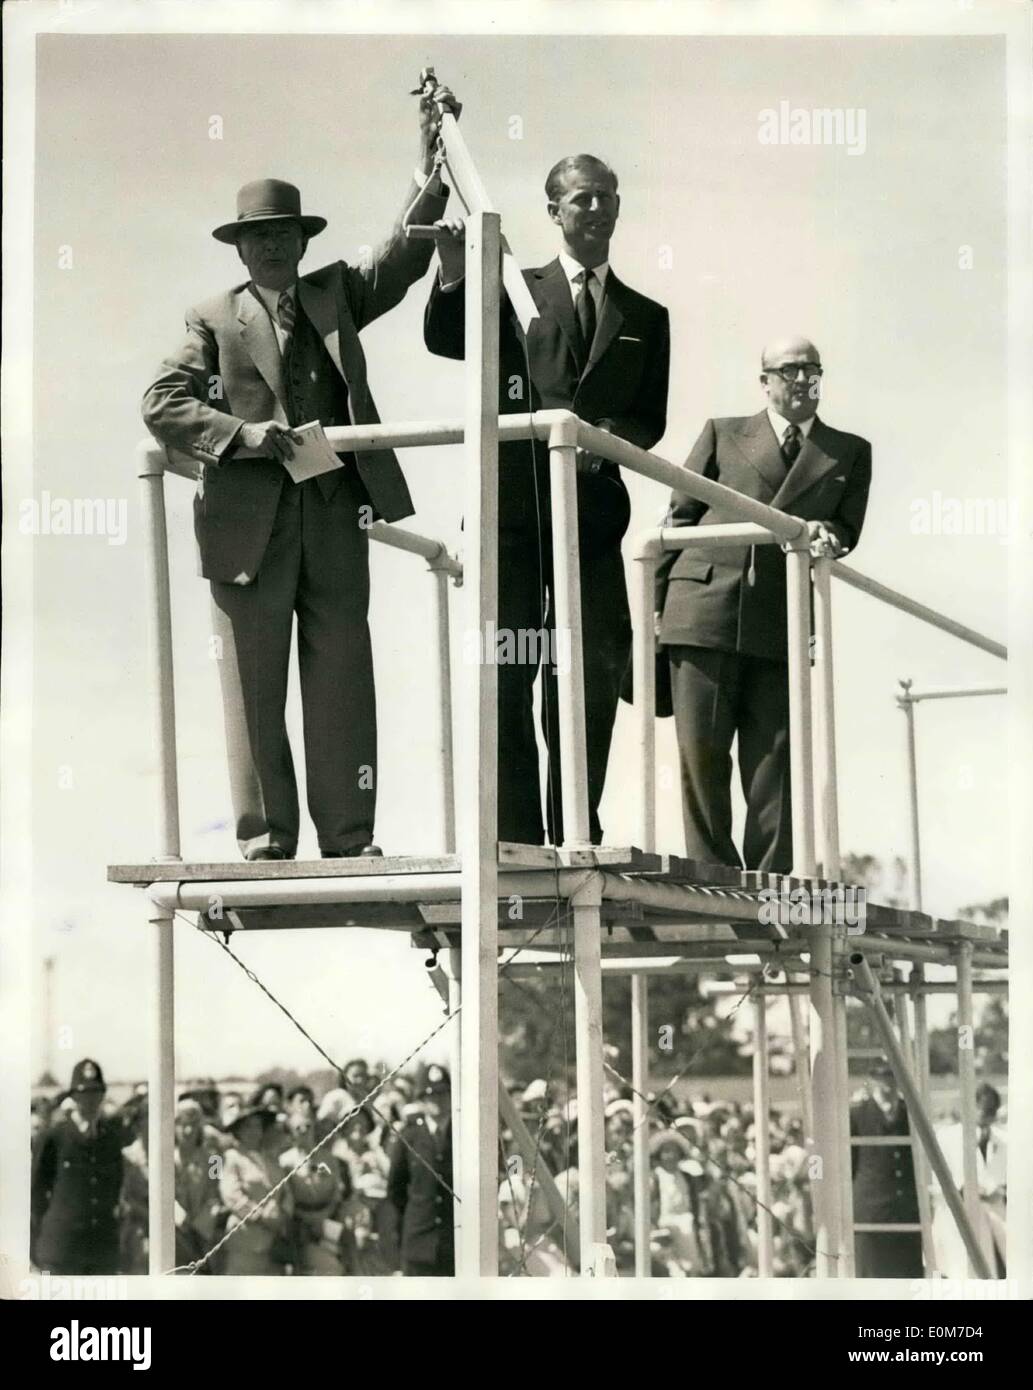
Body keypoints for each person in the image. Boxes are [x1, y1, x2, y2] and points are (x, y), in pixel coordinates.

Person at [141, 83, 459, 862]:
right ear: (239, 247)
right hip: (248, 526)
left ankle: (350, 839)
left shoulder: (336, 293)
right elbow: (160, 401)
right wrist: (244, 434)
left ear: (303, 241)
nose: (273, 246)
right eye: (258, 235)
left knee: (344, 674)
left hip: (335, 513)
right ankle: (265, 839)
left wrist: (434, 163)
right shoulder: (211, 317)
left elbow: (404, 252)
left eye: (284, 233)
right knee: (253, 685)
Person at [426, 154, 670, 845]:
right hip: (512, 512)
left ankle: (573, 830)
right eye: (582, 199)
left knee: (588, 677)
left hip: (590, 521)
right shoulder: (512, 287)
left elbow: (647, 417)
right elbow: (449, 341)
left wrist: (606, 437)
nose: (595, 210)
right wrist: (453, 271)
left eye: (606, 198)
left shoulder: (645, 317)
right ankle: (516, 840)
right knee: (507, 673)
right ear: (554, 211)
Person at [656, 338, 871, 873]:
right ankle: (714, 875)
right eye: (789, 369)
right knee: (702, 756)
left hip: (783, 618)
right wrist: (658, 610)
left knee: (776, 760)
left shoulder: (849, 450)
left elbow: (848, 527)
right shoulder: (723, 433)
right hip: (703, 607)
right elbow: (678, 519)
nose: (802, 380)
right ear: (765, 381)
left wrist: (829, 533)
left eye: (812, 370)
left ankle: (770, 887)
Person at [31, 1059, 125, 1276]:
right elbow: (36, 1192)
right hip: (62, 1251)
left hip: (101, 1251)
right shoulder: (53, 1138)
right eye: (84, 1095)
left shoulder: (110, 1138)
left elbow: (115, 1185)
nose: (90, 1102)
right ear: (73, 1097)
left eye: (96, 1095)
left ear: (102, 1097)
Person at [850, 1061, 922, 1277]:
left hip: (907, 1213)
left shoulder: (911, 1113)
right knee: (871, 1279)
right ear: (872, 1080)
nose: (888, 1084)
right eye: (882, 1078)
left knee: (907, 1279)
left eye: (892, 1077)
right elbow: (850, 1165)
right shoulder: (856, 1115)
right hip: (872, 1214)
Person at [931, 1082, 1007, 1277]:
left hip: (996, 1223)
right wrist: (964, 1189)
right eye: (983, 1110)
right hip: (957, 1220)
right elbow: (935, 1184)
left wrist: (999, 1192)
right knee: (960, 1274)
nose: (987, 1117)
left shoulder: (1004, 1140)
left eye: (991, 1111)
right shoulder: (946, 1137)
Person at [386, 1065, 455, 1275]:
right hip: (418, 1242)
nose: (436, 1100)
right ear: (421, 1100)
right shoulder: (409, 1137)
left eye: (442, 1094)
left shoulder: (463, 1134)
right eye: (429, 1095)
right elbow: (395, 1190)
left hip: (455, 1244)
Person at [219, 1106, 295, 1275]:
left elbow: (286, 1192)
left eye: (257, 1126)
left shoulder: (271, 1159)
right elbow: (231, 1195)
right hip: (245, 1239)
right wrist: (260, 1215)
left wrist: (283, 1214)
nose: (254, 1131)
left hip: (273, 1243)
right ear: (237, 1130)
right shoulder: (231, 1157)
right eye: (248, 1127)